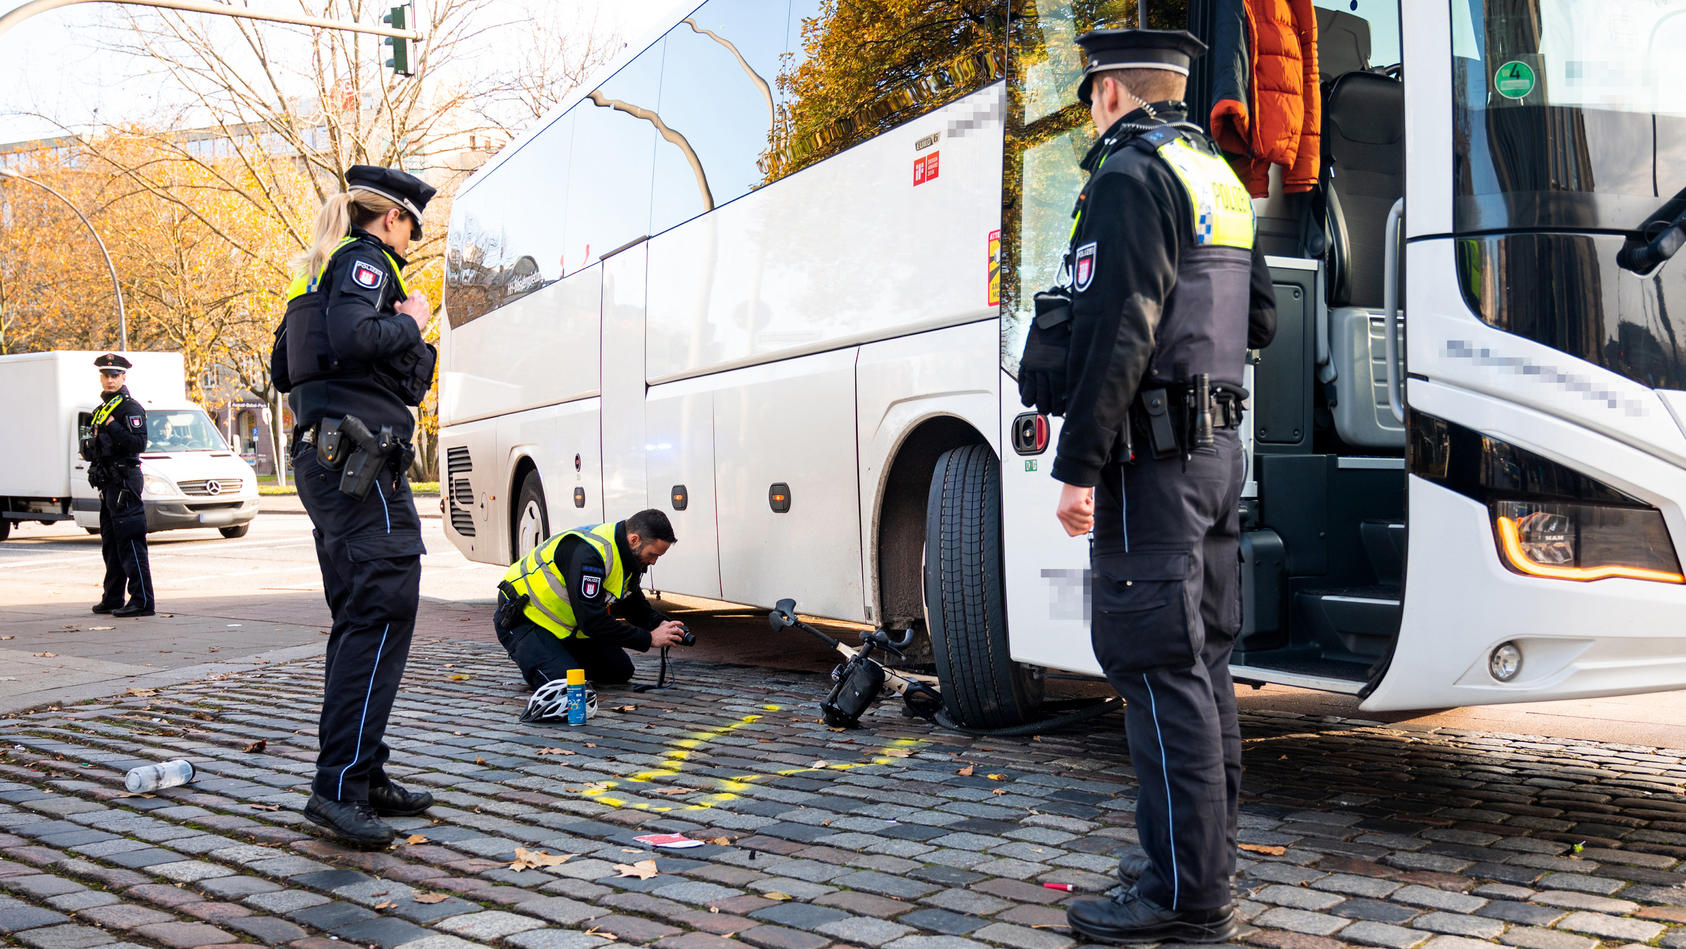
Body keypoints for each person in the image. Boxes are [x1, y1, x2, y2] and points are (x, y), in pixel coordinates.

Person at [1019, 29, 1277, 945]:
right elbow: (1260, 318)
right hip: (1215, 457)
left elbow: (1118, 334)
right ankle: (1198, 859)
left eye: (1089, 96)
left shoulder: (1128, 179)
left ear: (1110, 94)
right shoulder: (1216, 176)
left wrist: (1078, 468)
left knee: (1156, 667)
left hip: (1150, 466)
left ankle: (1183, 898)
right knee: (1200, 662)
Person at [271, 164, 439, 847]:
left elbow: (287, 369)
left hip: (333, 459)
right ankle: (338, 785)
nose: (411, 244)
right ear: (392, 218)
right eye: (411, 229)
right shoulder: (364, 262)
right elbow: (353, 339)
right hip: (361, 465)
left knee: (361, 616)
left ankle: (360, 773)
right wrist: (414, 322)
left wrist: (407, 341)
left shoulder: (317, 272)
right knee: (379, 608)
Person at [495, 509, 690, 690]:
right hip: (523, 618)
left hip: (562, 626)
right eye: (652, 554)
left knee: (619, 670)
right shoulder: (590, 555)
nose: (654, 562)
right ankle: (542, 659)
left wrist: (661, 624)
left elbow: (631, 604)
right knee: (565, 686)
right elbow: (592, 622)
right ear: (634, 539)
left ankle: (556, 656)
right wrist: (649, 639)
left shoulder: (626, 555)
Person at [85, 353, 155, 618]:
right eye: (106, 375)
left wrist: (113, 427)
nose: (110, 380)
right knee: (112, 544)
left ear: (124, 377)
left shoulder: (129, 408)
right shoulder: (103, 408)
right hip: (109, 483)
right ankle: (113, 597)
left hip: (125, 481)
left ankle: (143, 601)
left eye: (115, 376)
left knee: (131, 542)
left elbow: (138, 444)